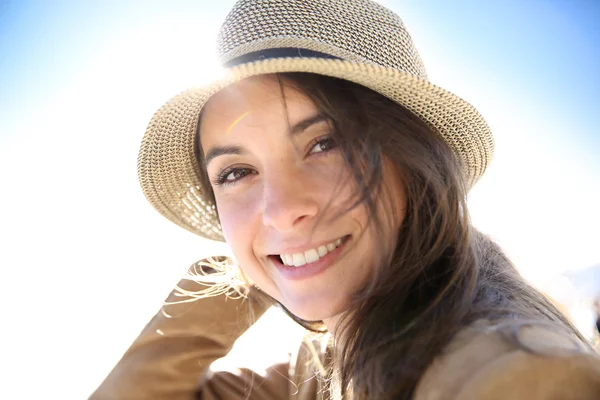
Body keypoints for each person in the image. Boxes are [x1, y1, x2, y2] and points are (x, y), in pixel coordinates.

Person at [91, 0, 600, 399]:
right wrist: (254, 266)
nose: (281, 209)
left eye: (325, 143)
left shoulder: (515, 376)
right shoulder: (325, 366)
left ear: (417, 160)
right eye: (237, 172)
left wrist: (281, 255)